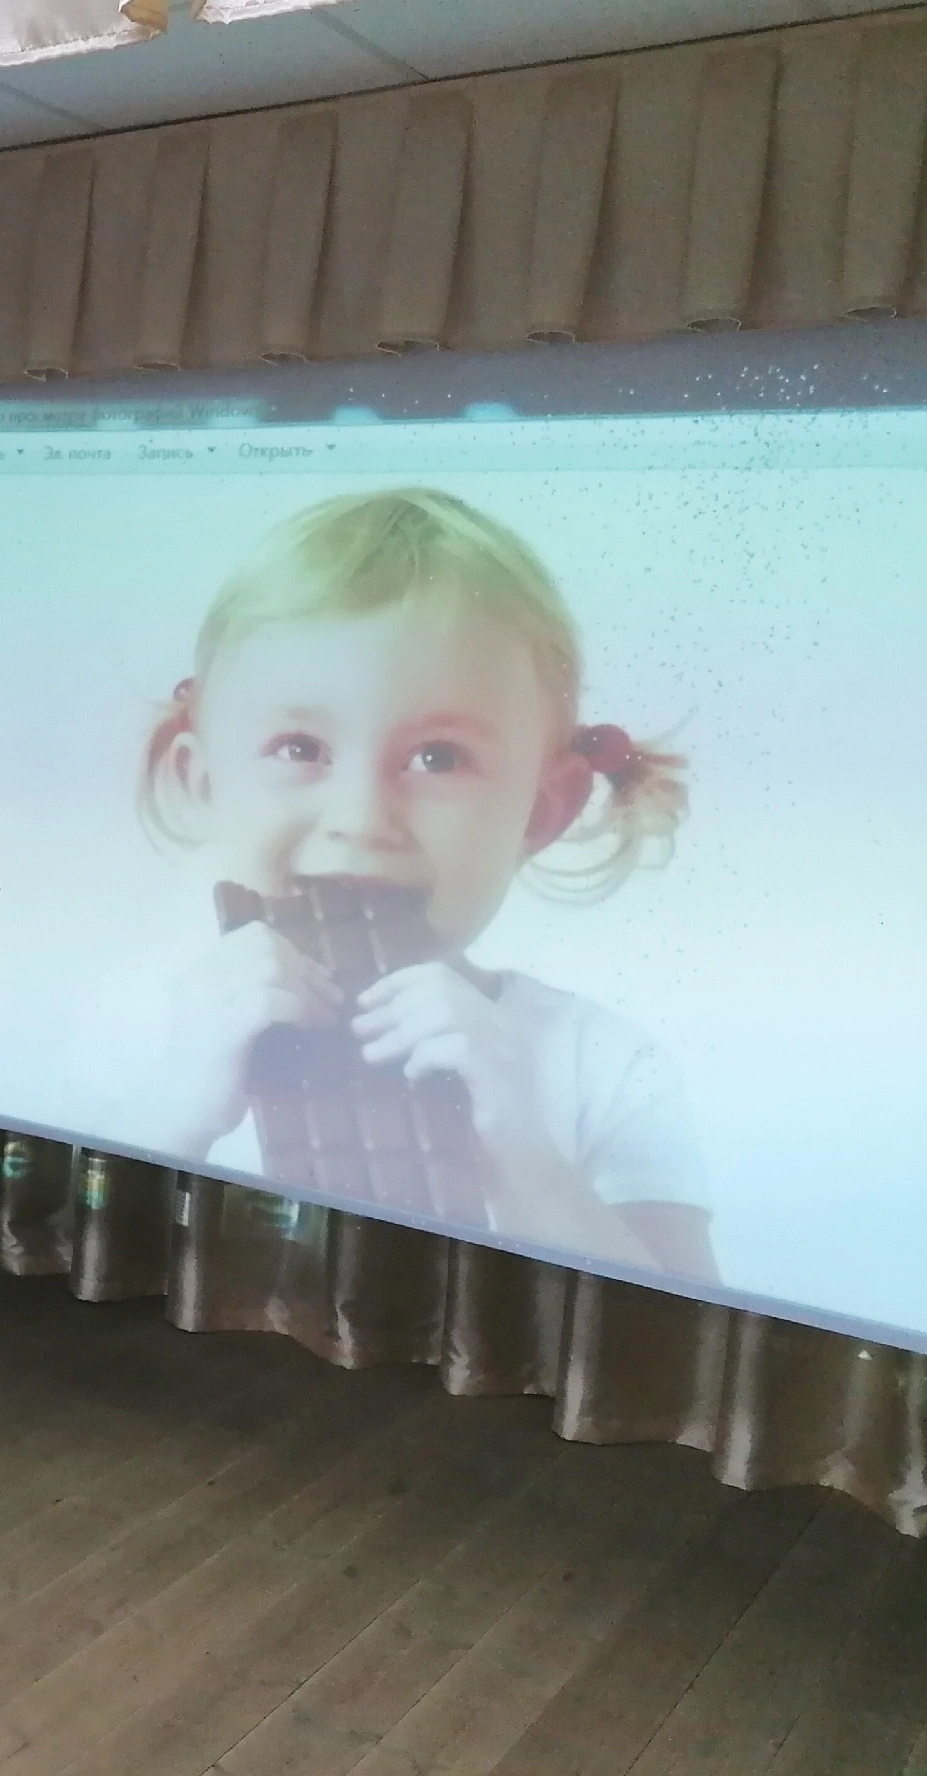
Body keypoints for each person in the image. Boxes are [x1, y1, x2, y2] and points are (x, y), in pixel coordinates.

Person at [127, 486, 716, 1280]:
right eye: (300, 748)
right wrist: (171, 1113)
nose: (362, 818)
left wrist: (525, 1152)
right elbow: (69, 1259)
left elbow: (678, 1330)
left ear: (540, 812)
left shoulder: (605, 1067)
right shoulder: (146, 1026)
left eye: (437, 758)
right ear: (205, 781)